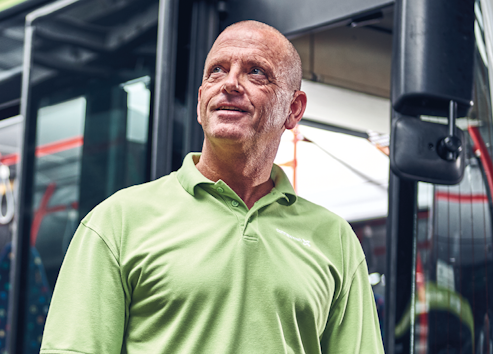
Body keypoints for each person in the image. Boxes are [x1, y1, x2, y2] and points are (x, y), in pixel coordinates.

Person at [40, 20, 383, 354]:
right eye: (217, 70)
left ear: (293, 109)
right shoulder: (117, 222)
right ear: (201, 101)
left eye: (256, 72)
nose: (230, 83)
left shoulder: (334, 240)